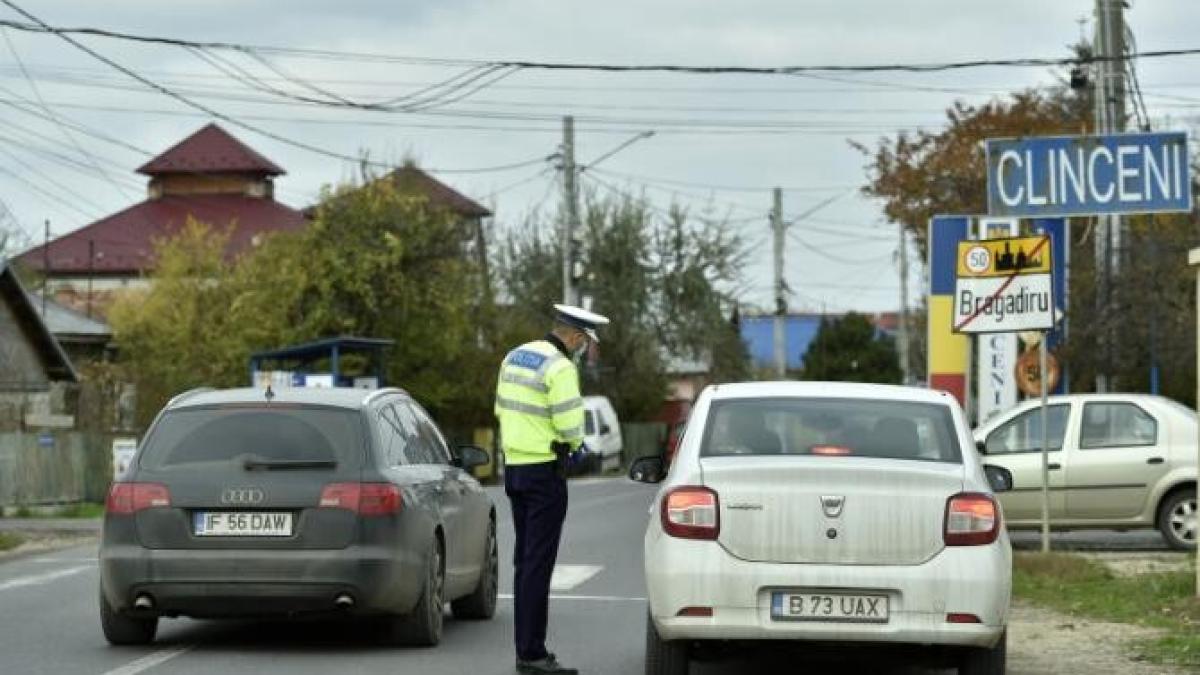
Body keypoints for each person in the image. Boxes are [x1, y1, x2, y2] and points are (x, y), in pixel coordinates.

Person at [495, 304, 609, 675]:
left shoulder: (515, 355)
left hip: (514, 469)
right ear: (574, 336)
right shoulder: (560, 367)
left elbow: (501, 409)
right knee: (538, 565)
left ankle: (525, 649)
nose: (583, 349)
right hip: (544, 474)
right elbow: (569, 423)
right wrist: (576, 447)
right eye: (584, 342)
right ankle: (532, 654)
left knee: (524, 563)